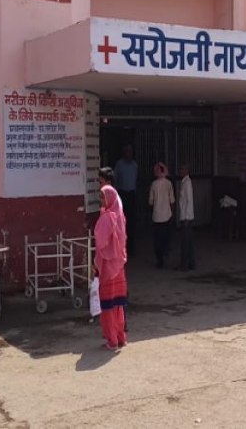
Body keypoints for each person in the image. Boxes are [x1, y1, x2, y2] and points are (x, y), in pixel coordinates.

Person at [93, 185, 128, 351]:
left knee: (107, 307)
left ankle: (112, 340)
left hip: (108, 268)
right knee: (118, 305)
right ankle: (120, 337)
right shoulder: (120, 216)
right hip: (118, 267)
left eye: (103, 197)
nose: (101, 201)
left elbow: (100, 242)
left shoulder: (107, 218)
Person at [149, 162, 175, 268]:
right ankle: (165, 252)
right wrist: (173, 212)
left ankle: (160, 260)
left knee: (157, 239)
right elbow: (172, 200)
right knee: (166, 237)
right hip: (167, 215)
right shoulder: (168, 183)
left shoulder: (153, 184)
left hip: (156, 216)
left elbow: (151, 201)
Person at [114, 144, 138, 256]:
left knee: (131, 222)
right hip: (122, 194)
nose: (129, 153)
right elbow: (115, 180)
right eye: (127, 151)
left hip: (131, 195)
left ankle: (131, 248)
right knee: (121, 222)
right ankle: (121, 248)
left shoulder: (134, 165)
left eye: (130, 151)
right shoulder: (119, 165)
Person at [176, 164, 195, 271]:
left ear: (187, 171)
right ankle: (191, 263)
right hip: (185, 216)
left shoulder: (187, 183)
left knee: (185, 242)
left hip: (186, 217)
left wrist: (187, 217)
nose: (180, 171)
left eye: (182, 169)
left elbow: (189, 201)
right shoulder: (184, 182)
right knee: (189, 241)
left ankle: (185, 264)